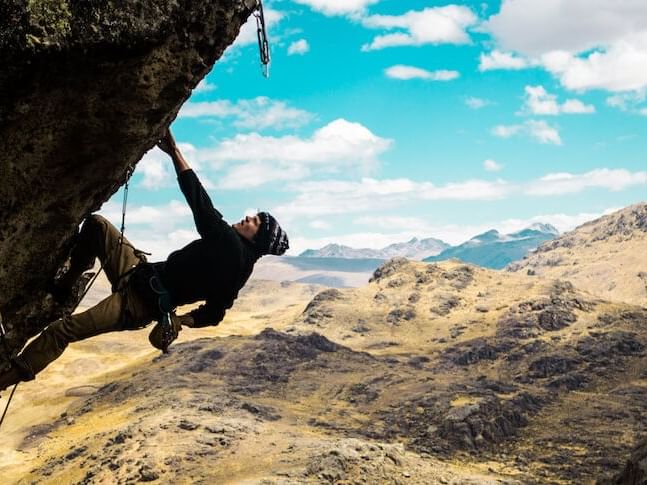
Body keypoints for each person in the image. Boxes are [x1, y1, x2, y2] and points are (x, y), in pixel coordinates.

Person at [0, 129, 289, 392]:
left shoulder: (230, 247)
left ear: (258, 239)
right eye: (255, 216)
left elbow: (200, 202)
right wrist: (181, 319)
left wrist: (175, 152)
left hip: (134, 305)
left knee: (60, 332)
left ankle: (7, 378)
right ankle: (65, 286)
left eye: (256, 222)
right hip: (138, 274)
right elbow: (215, 314)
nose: (249, 217)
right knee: (97, 226)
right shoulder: (241, 270)